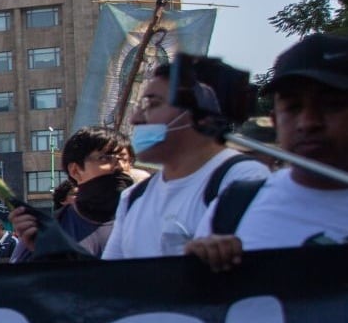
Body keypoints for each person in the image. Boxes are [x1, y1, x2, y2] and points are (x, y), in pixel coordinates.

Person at [186, 33, 348, 270]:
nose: (308, 122)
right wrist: (198, 271)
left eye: (332, 105)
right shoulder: (233, 208)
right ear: (275, 120)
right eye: (293, 107)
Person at [99, 70, 269, 260]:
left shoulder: (243, 180)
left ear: (203, 115)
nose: (135, 119)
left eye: (153, 104)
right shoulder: (132, 198)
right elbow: (112, 279)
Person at [9, 127, 133, 260]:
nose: (120, 166)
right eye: (105, 158)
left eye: (125, 159)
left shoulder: (147, 215)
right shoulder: (52, 231)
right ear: (75, 170)